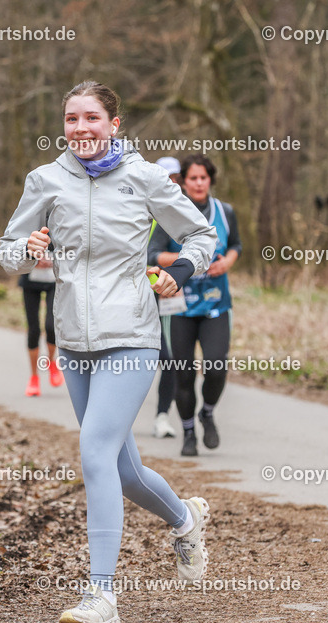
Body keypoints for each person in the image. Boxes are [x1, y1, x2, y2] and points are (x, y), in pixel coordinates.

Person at [0, 81, 216, 623]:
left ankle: (102, 597)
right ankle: (185, 518)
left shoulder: (144, 178)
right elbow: (6, 251)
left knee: (94, 452)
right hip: (73, 343)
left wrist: (180, 273)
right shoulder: (45, 180)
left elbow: (200, 233)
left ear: (114, 124)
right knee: (123, 470)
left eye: (92, 118)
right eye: (72, 119)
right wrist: (26, 252)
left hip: (132, 336)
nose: (81, 129)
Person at [149, 154, 241, 456]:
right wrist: (191, 261)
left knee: (216, 366)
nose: (199, 183)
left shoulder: (225, 211)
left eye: (204, 178)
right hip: (179, 308)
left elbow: (236, 245)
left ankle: (208, 413)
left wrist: (226, 262)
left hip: (216, 304)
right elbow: (153, 254)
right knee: (183, 373)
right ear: (183, 182)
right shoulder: (171, 213)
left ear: (210, 180)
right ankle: (188, 433)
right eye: (193, 178)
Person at [151, 157, 183, 438]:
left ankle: (162, 416)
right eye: (166, 177)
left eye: (175, 178)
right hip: (131, 296)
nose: (171, 183)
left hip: (166, 296)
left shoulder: (180, 212)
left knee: (169, 358)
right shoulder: (136, 205)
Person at [19, 248, 64, 396]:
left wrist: (55, 261)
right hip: (30, 282)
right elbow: (13, 250)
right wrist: (31, 261)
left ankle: (50, 362)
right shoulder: (27, 225)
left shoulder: (61, 225)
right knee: (34, 329)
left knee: (51, 326)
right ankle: (34, 377)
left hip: (54, 282)